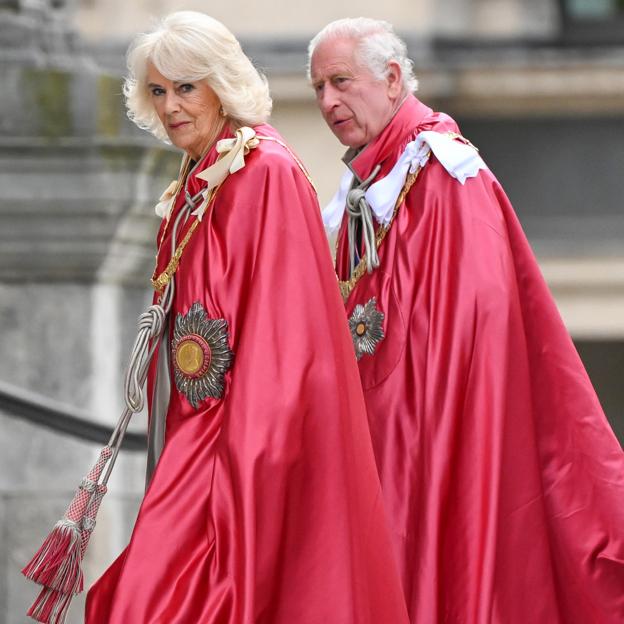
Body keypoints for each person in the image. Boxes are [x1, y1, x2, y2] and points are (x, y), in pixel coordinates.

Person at [81, 12, 409, 623]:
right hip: (192, 436)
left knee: (146, 603)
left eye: (186, 87)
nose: (172, 106)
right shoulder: (194, 182)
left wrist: (244, 474)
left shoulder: (267, 172)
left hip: (239, 448)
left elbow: (290, 342)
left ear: (220, 84)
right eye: (159, 91)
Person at [308, 17, 624, 623]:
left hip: (431, 444)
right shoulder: (360, 189)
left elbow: (477, 329)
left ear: (393, 78)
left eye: (341, 81)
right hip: (379, 447)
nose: (326, 101)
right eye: (318, 85)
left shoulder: (447, 173)